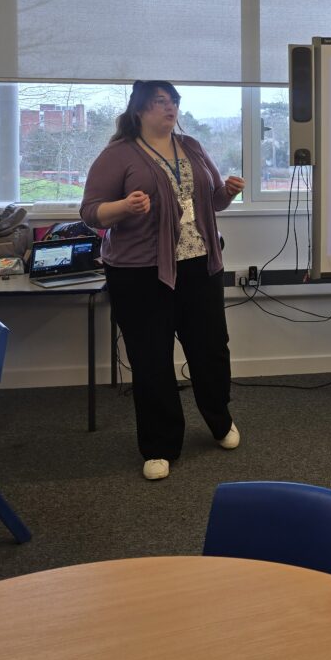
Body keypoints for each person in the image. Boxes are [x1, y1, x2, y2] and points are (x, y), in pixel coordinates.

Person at [80, 80, 245, 481]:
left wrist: (227, 192)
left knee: (211, 350)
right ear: (140, 110)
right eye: (160, 102)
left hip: (200, 266)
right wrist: (123, 206)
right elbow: (90, 212)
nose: (170, 108)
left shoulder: (191, 147)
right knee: (151, 359)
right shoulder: (117, 155)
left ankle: (219, 420)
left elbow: (211, 202)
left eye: (174, 101)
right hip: (140, 273)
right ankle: (159, 445)